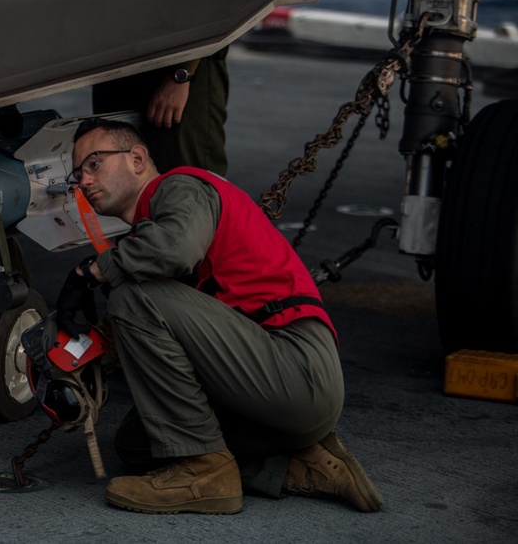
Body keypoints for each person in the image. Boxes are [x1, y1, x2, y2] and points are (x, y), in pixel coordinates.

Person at [54, 118, 382, 515]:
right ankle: (300, 462)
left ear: (137, 158)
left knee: (133, 296)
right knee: (138, 443)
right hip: (272, 394)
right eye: (78, 174)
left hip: (296, 366)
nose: (85, 182)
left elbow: (173, 250)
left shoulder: (179, 187)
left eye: (94, 164)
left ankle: (205, 471)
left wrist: (90, 271)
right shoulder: (152, 228)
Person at [92, 49, 229, 176]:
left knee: (186, 179)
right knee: (117, 175)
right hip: (115, 63)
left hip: (178, 66)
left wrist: (182, 72)